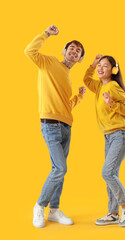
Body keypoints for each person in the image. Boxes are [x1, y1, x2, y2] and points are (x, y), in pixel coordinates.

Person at [24, 25, 86, 228]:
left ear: (80, 59)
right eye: (72, 47)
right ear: (64, 51)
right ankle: (39, 207)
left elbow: (67, 104)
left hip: (66, 127)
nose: (74, 51)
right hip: (50, 125)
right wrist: (47, 34)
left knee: (58, 170)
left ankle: (55, 211)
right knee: (60, 168)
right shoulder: (48, 62)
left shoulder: (67, 76)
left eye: (78, 51)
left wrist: (79, 96)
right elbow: (29, 51)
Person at [83, 54, 125, 227]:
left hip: (120, 135)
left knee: (107, 173)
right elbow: (86, 79)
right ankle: (113, 213)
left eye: (104, 66)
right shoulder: (100, 86)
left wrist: (112, 103)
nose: (100, 68)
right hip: (109, 137)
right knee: (112, 175)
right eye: (99, 65)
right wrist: (91, 65)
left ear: (113, 70)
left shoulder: (113, 86)